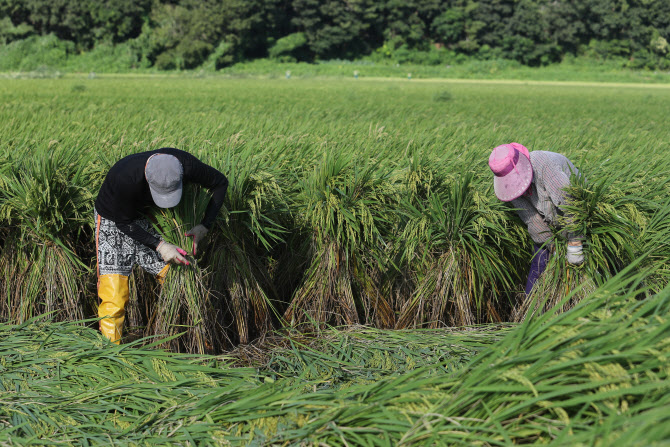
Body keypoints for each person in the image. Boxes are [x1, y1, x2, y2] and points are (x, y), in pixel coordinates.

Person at [94, 148, 228, 343]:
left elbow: (220, 183)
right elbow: (124, 223)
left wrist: (205, 225)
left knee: (174, 274)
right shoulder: (124, 176)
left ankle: (193, 340)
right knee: (114, 293)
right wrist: (161, 246)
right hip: (113, 221)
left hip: (148, 217)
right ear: (147, 180)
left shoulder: (187, 165)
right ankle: (110, 353)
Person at [488, 143, 583, 295]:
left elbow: (570, 204)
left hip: (576, 218)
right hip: (549, 221)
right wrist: (552, 247)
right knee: (539, 264)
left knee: (580, 264)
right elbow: (532, 219)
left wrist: (574, 243)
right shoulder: (509, 188)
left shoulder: (544, 164)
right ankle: (529, 313)